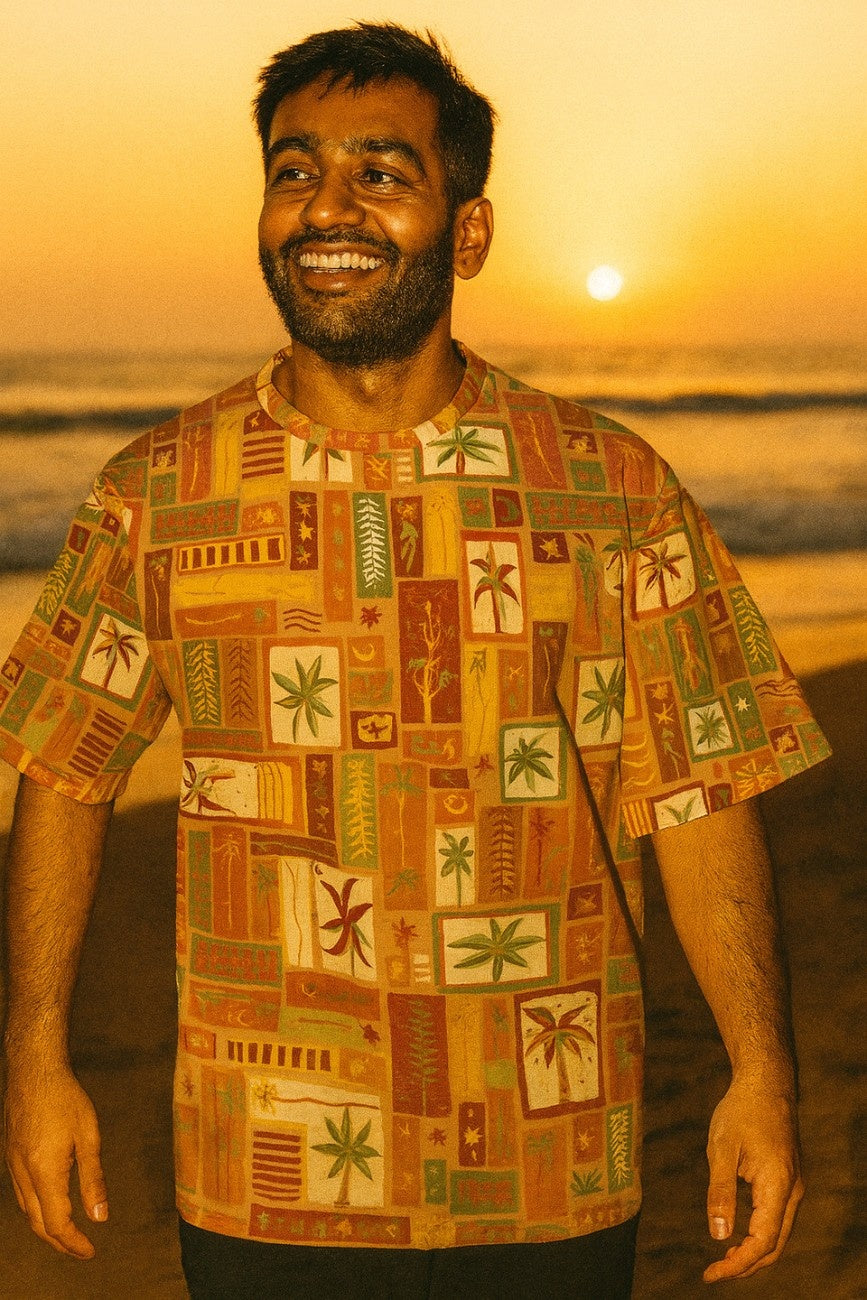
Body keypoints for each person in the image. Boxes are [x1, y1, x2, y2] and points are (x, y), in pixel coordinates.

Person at [0, 23, 829, 1300]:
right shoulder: (158, 495)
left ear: (470, 230)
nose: (326, 207)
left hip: (548, 1160)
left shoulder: (609, 489)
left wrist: (761, 1070)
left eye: (380, 173)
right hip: (266, 1167)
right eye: (293, 171)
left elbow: (702, 782)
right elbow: (63, 767)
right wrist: (32, 1055)